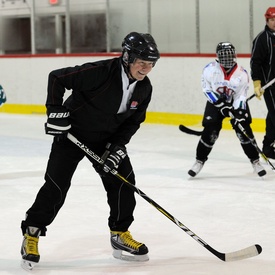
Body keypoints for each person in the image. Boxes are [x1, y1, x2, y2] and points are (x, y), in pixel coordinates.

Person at [20, 31, 160, 270]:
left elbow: (132, 122)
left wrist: (117, 148)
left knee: (123, 182)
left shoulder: (144, 88)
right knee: (56, 185)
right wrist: (55, 111)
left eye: (151, 64)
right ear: (127, 57)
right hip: (72, 134)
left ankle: (119, 233)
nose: (146, 68)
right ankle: (32, 233)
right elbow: (56, 78)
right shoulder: (100, 72)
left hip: (105, 140)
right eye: (142, 62)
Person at [188, 42, 266, 178]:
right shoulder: (209, 70)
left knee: (244, 130)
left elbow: (241, 95)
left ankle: (255, 161)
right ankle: (199, 161)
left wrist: (239, 111)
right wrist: (220, 104)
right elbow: (207, 89)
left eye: (229, 56)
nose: (227, 59)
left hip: (234, 103)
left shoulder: (242, 73)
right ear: (218, 57)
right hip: (215, 103)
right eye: (224, 56)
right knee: (210, 132)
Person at [251, 7, 275, 159]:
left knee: (273, 117)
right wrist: (257, 83)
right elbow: (256, 62)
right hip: (270, 86)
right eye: (272, 20)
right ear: (267, 21)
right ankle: (267, 147)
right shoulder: (262, 38)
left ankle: (267, 147)